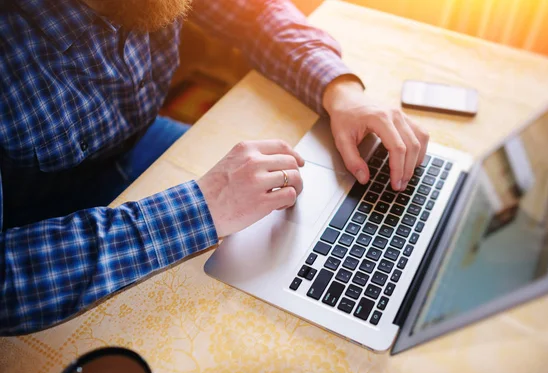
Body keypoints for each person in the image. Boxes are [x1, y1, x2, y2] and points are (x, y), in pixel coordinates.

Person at [0, 0, 429, 335]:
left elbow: (255, 13)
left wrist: (342, 90)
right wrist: (200, 208)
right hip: (36, 222)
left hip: (131, 145)